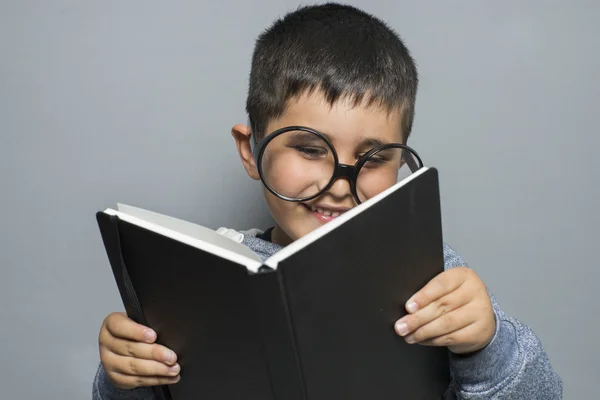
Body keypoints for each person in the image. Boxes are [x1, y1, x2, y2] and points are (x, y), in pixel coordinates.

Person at [93, 3, 563, 399]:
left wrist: (487, 345)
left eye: (374, 157)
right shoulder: (195, 279)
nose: (340, 184)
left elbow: (544, 393)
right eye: (311, 150)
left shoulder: (428, 273)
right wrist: (123, 379)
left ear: (401, 162)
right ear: (250, 152)